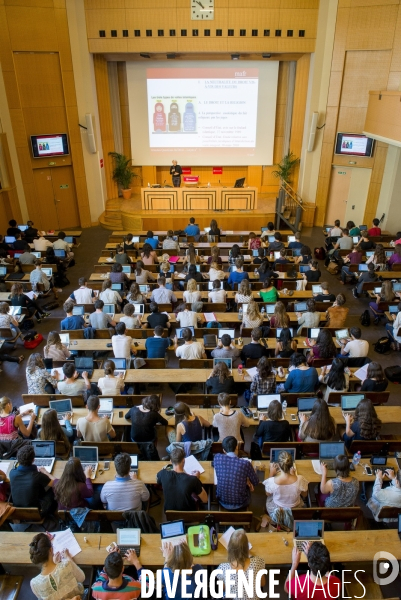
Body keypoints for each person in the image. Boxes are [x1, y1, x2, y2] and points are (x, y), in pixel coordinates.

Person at [29, 532, 85, 600]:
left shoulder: (34, 583)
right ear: (50, 550)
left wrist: (55, 563)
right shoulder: (67, 564)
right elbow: (82, 578)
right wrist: (68, 557)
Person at [215, 529, 266, 600]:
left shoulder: (223, 568)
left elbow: (223, 588)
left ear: (229, 547)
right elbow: (262, 583)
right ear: (247, 547)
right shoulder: (257, 562)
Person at [214, 436, 259, 510]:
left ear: (224, 451)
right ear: (237, 447)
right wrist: (247, 478)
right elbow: (256, 482)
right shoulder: (245, 463)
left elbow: (214, 463)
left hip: (222, 501)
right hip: (241, 503)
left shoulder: (217, 458)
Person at [157, 447, 207, 511]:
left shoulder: (163, 473)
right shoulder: (193, 480)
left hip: (169, 513)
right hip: (188, 514)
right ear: (184, 460)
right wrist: (195, 479)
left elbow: (158, 481)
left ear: (171, 461)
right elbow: (205, 499)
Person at [263, 450, 308, 520]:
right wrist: (293, 474)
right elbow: (304, 495)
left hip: (278, 509)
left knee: (269, 497)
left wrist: (271, 473)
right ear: (291, 465)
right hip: (295, 509)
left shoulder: (272, 481)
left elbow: (268, 493)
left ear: (278, 465)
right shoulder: (300, 479)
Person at [9, 445, 54, 512]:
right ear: (33, 460)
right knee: (52, 490)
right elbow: (54, 483)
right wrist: (46, 472)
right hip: (37, 512)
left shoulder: (12, 473)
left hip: (17, 511)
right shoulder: (38, 476)